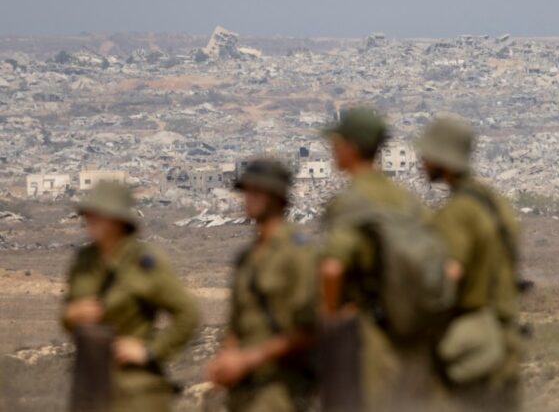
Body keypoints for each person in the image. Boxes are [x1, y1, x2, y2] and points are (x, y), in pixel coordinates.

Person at [319, 107, 441, 411]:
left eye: (335, 143)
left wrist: (327, 328)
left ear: (350, 147)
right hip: (415, 338)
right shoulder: (409, 201)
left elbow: (333, 269)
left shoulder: (350, 203)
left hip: (367, 341)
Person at [62, 181, 199, 412]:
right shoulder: (83, 261)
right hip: (91, 386)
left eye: (98, 215)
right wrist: (71, 315)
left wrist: (151, 351)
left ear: (118, 220)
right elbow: (68, 318)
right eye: (88, 214)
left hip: (135, 392)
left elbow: (188, 314)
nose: (90, 220)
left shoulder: (144, 262)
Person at [417, 117, 523, 411]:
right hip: (504, 335)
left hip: (470, 342)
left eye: (427, 156)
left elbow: (448, 274)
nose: (421, 162)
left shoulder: (458, 212)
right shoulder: (494, 202)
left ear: (444, 160)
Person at [206, 159, 317, 412]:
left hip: (281, 391)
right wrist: (226, 358)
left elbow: (309, 328)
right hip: (244, 393)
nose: (248, 199)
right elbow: (240, 320)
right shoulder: (248, 257)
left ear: (277, 197)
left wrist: (249, 358)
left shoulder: (297, 252)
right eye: (246, 191)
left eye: (257, 192)